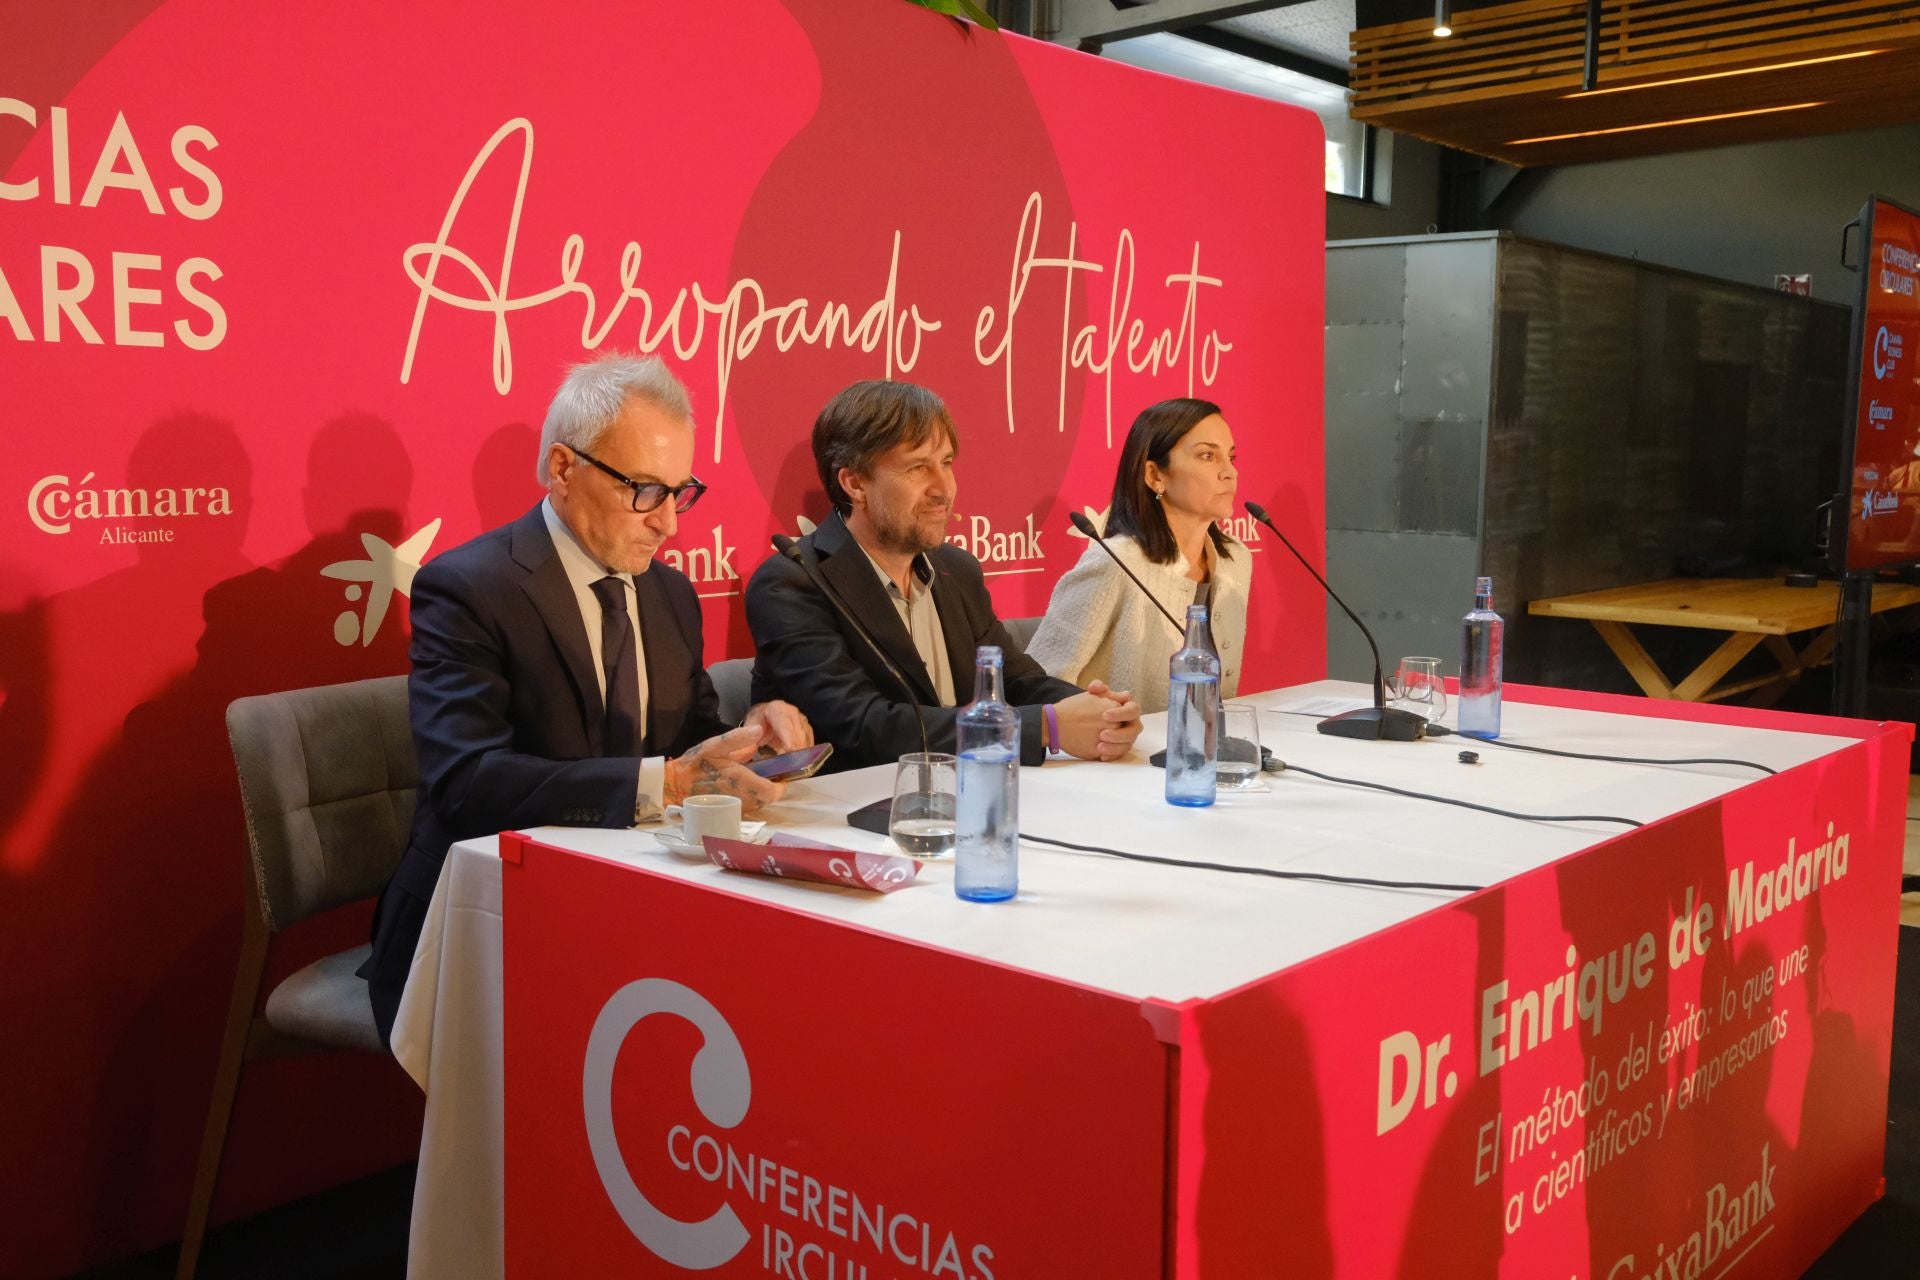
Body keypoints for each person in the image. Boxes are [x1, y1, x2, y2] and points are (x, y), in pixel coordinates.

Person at [361, 354, 810, 1046]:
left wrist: (749, 738)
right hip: (487, 921)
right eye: (645, 492)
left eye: (681, 493)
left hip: (639, 906)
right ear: (563, 470)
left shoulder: (670, 596)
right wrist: (668, 784)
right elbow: (467, 782)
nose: (669, 525)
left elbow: (689, 738)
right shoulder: (468, 590)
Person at [745, 379, 1142, 770]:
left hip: (969, 792)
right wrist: (1045, 726)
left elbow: (1016, 682)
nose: (944, 488)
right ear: (855, 483)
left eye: (947, 463)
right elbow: (861, 726)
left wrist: (1098, 713)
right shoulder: (794, 583)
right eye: (918, 467)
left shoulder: (957, 570)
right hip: (857, 812)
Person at [1027, 399, 1249, 713]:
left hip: (1207, 750)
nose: (1230, 472)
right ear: (1155, 475)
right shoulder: (1115, 562)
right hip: (1118, 755)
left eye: (1231, 456)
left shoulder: (1234, 561)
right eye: (1207, 456)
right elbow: (1036, 687)